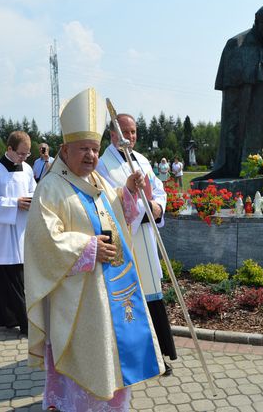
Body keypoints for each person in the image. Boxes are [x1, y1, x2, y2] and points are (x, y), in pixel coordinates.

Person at [25, 88, 164, 411]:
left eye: (95, 149)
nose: (90, 156)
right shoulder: (51, 188)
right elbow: (43, 241)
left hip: (108, 294)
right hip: (76, 300)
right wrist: (87, 247)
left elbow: (118, 214)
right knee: (85, 364)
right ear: (64, 150)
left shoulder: (96, 182)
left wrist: (128, 192)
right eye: (83, 149)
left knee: (110, 360)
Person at [97, 113, 177, 375]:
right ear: (112, 135)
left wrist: (157, 207)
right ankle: (133, 358)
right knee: (130, 298)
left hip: (146, 237)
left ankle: (159, 353)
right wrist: (130, 192)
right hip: (124, 240)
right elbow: (105, 203)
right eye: (124, 133)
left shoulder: (142, 160)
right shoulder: (103, 165)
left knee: (152, 294)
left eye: (133, 132)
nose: (129, 137)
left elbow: (159, 190)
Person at [201, 3, 263, 180]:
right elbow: (230, 83)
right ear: (257, 21)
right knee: (251, 156)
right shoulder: (237, 44)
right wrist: (260, 68)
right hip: (253, 110)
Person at [0, 132, 36, 331]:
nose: (23, 158)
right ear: (9, 149)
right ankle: (25, 323)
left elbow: (34, 191)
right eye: (21, 154)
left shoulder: (27, 169)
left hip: (22, 230)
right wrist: (15, 203)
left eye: (27, 154)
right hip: (3, 232)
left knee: (17, 276)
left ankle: (3, 315)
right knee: (11, 278)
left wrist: (31, 200)